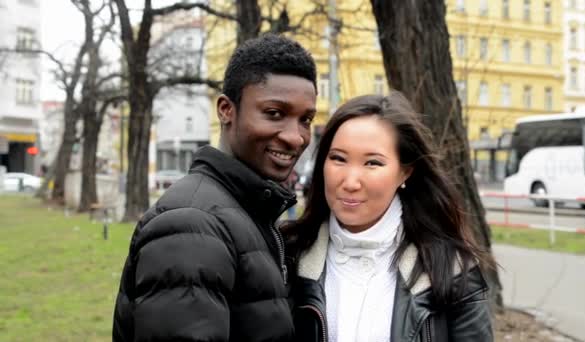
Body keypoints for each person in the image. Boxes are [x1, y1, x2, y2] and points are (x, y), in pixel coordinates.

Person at [112, 34, 317, 342]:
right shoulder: (192, 224)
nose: (296, 137)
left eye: (306, 119)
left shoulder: (250, 211)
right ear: (226, 110)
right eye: (274, 113)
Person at [285, 92, 493, 342]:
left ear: (405, 172)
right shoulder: (288, 255)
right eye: (338, 159)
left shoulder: (450, 267)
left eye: (372, 163)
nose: (350, 182)